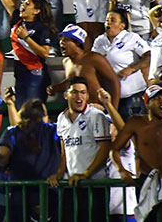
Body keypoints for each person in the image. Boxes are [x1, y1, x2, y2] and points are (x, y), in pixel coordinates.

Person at [110, 84, 162, 221]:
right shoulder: (136, 123)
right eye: (156, 99)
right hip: (146, 180)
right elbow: (114, 149)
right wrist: (122, 171)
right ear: (147, 103)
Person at [48, 77, 111, 222]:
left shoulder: (96, 116)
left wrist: (86, 174)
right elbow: (65, 150)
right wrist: (59, 172)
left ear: (88, 96)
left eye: (83, 93)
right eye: (75, 92)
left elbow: (104, 149)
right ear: (66, 95)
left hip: (94, 184)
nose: (79, 97)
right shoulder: (61, 118)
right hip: (72, 184)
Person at [0, 97, 60, 221]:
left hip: (20, 194)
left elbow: (2, 153)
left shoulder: (13, 132)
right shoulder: (54, 131)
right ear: (44, 116)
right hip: (49, 193)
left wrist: (3, 166)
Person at [93, 10, 150, 119]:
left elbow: (149, 56)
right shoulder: (100, 41)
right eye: (107, 20)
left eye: (112, 20)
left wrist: (132, 68)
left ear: (122, 26)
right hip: (110, 97)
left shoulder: (131, 38)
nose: (108, 23)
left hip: (132, 96)